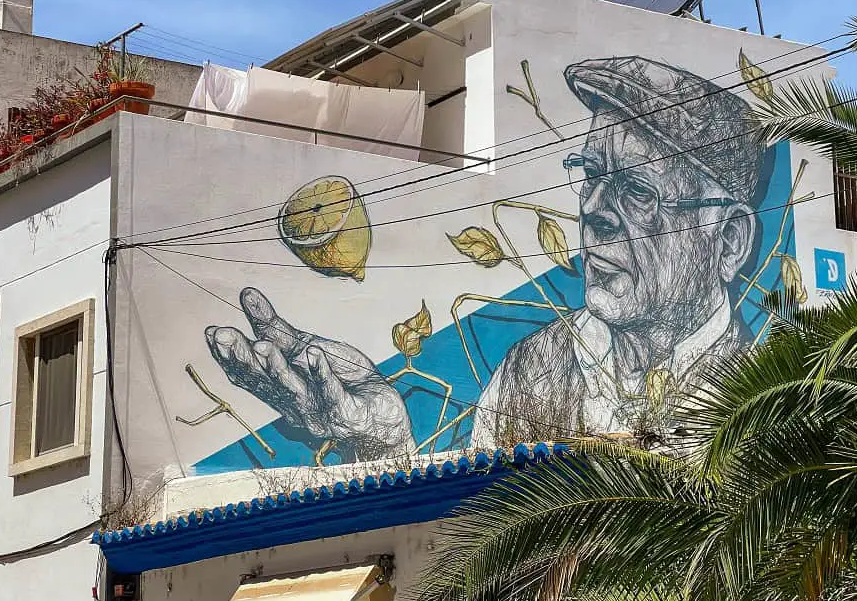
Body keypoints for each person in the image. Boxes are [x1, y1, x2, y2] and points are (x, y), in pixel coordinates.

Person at [204, 56, 765, 458]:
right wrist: (385, 437)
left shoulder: (768, 397)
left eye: (637, 193)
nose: (594, 210)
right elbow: (464, 542)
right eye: (590, 178)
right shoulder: (531, 367)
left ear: (730, 240)